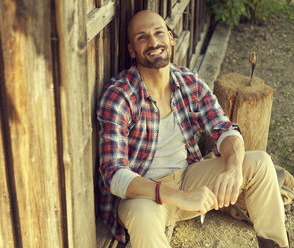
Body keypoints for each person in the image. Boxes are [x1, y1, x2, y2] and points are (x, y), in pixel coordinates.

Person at [97, 10, 289, 248]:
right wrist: (178, 196)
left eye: (158, 33)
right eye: (142, 37)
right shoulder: (119, 95)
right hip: (143, 195)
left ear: (170, 38)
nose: (153, 42)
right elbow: (114, 175)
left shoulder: (189, 81)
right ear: (131, 50)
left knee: (260, 161)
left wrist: (233, 169)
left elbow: (225, 129)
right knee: (142, 216)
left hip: (187, 179)